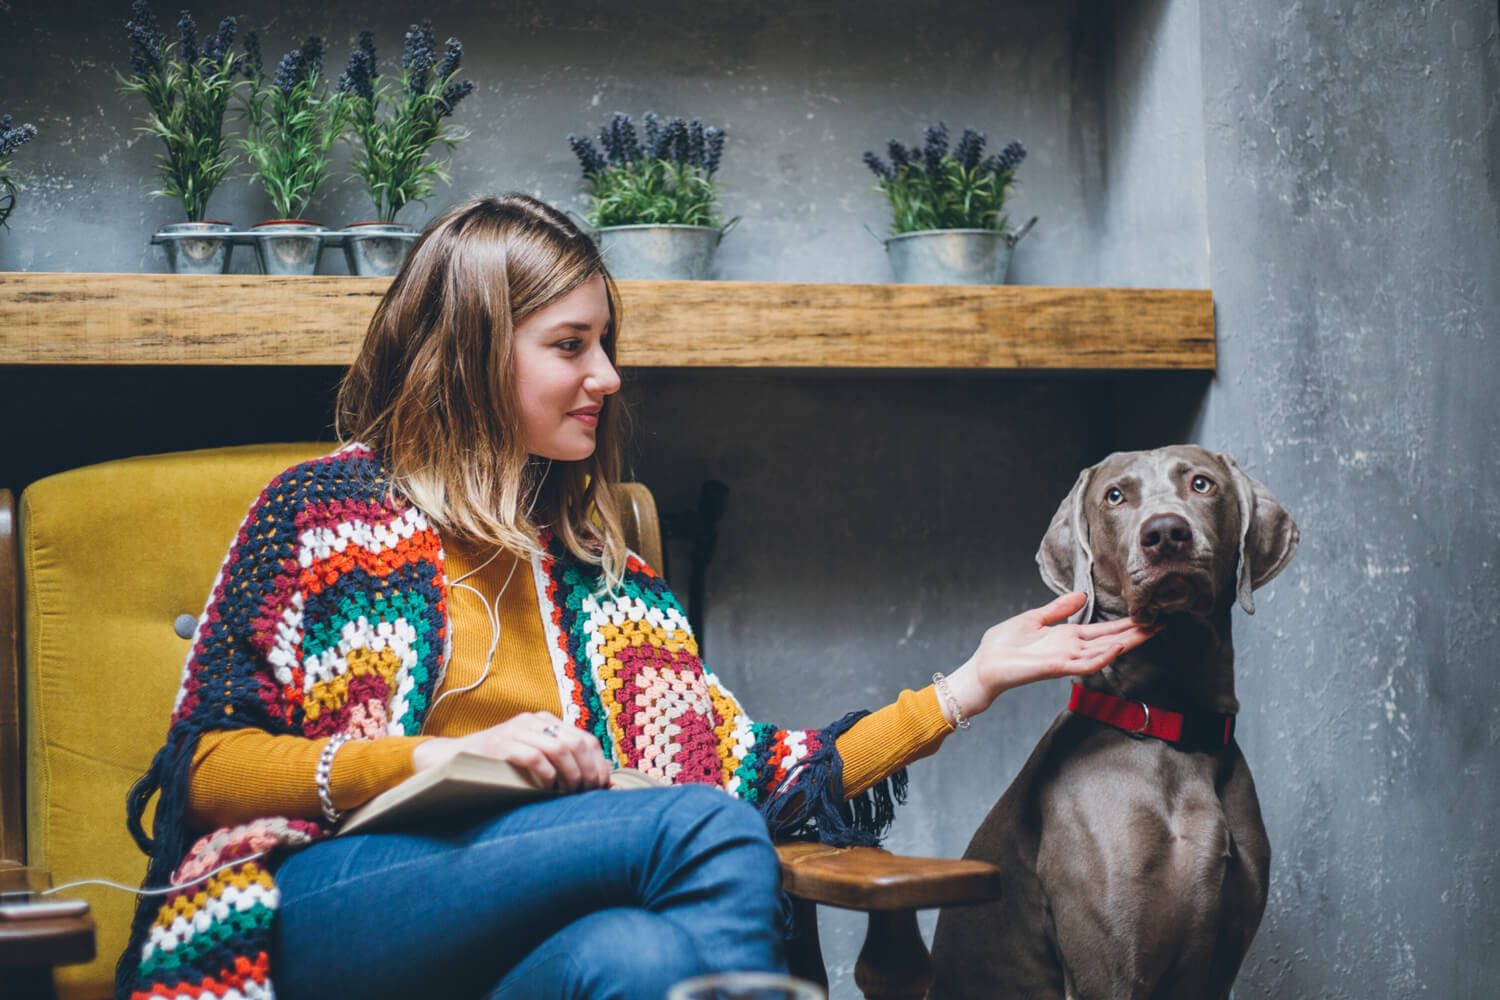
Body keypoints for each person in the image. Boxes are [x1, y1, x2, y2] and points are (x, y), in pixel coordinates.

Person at [118, 193, 1158, 1000]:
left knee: (637, 956)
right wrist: (439, 758)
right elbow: (206, 767)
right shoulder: (321, 513)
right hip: (329, 904)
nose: (608, 374)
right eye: (570, 345)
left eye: (604, 343)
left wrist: (967, 685)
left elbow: (753, 772)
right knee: (698, 830)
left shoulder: (608, 579)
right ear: (475, 353)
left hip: (522, 940)